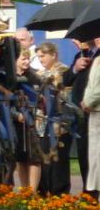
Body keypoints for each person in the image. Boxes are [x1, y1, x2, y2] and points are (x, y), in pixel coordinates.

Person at [62, 38, 99, 193]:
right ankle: (88, 192)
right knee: (84, 154)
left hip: (94, 110)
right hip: (80, 113)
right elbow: (66, 80)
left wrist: (88, 102)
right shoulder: (81, 55)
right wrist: (76, 68)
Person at [34, 41, 70, 195]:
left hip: (59, 122)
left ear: (53, 55)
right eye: (38, 57)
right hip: (42, 123)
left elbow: (66, 96)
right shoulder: (39, 74)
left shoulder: (63, 71)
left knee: (59, 160)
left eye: (43, 56)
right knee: (43, 158)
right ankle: (43, 190)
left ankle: (60, 193)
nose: (40, 59)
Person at [13, 48, 44, 191]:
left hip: (32, 120)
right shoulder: (8, 77)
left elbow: (42, 96)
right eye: (23, 59)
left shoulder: (33, 76)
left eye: (28, 59)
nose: (26, 62)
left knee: (34, 157)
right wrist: (15, 115)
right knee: (20, 158)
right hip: (15, 122)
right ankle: (24, 189)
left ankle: (32, 192)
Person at [81, 51, 100, 201]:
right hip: (94, 112)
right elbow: (90, 84)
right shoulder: (97, 60)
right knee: (94, 155)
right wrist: (85, 101)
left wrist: (89, 101)